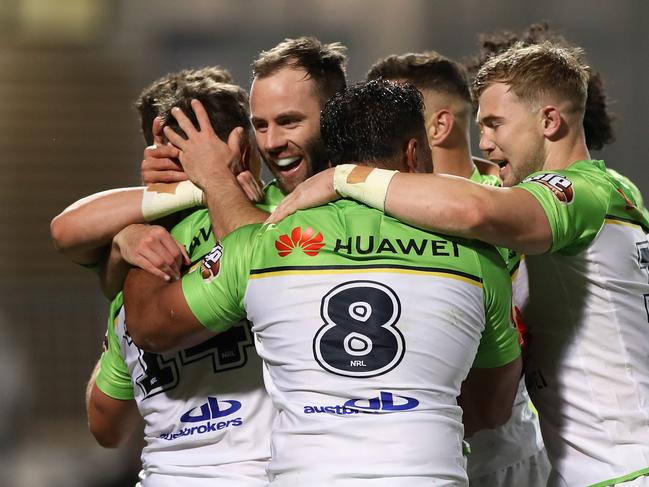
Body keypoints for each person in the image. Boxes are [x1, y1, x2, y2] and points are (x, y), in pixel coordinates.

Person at [270, 43, 649, 487]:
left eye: (495, 124)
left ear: (548, 121)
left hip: (621, 469)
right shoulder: (614, 191)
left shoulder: (580, 191)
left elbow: (476, 212)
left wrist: (346, 176)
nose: (485, 142)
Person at [123, 78, 521, 486]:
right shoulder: (479, 255)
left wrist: (147, 230)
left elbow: (150, 325)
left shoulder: (262, 245)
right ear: (414, 152)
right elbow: (491, 409)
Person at [54, 73, 278, 487]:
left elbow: (107, 427)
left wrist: (127, 238)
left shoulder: (142, 267)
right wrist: (212, 185)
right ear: (245, 148)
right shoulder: (289, 216)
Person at [366, 51, 550, 486]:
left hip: (502, 453)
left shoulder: (519, 204)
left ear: (438, 125)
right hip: (405, 457)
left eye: (392, 113)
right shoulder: (369, 201)